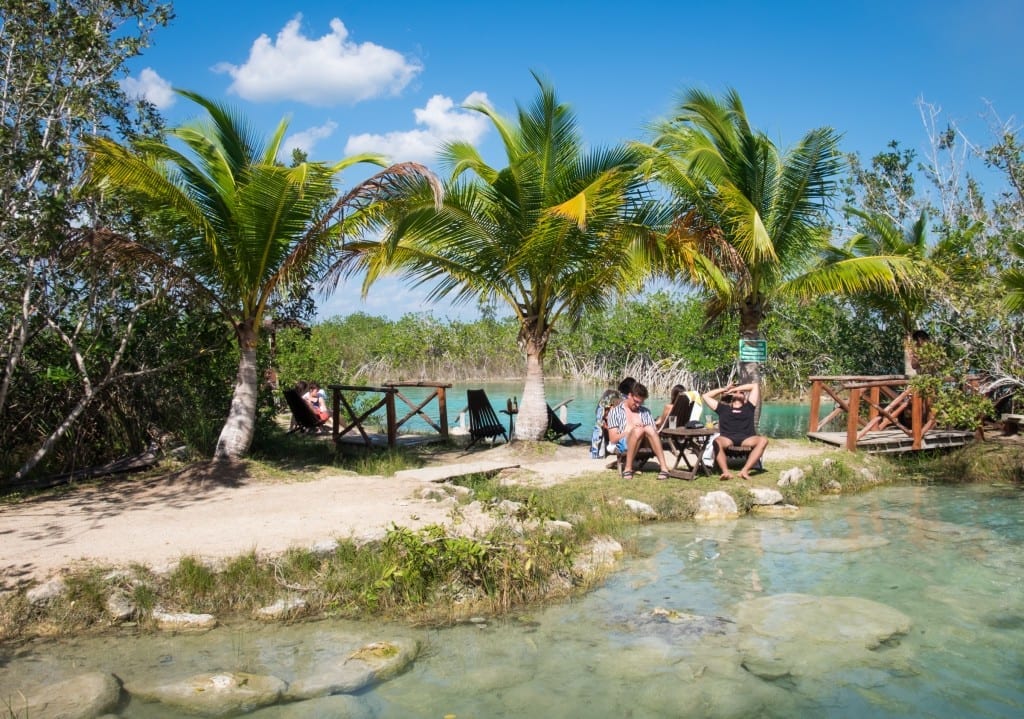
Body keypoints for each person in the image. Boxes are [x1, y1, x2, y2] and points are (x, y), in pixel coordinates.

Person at [701, 382, 768, 481]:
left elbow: (754, 386)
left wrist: (735, 389)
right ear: (731, 396)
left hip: (747, 438)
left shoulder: (749, 407)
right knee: (717, 441)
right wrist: (725, 389)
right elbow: (705, 396)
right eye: (736, 392)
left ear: (745, 397)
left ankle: (744, 471)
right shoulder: (723, 408)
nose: (738, 393)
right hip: (728, 438)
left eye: (741, 392)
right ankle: (726, 472)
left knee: (763, 440)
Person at [606, 382, 671, 480]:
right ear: (629, 395)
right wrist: (629, 430)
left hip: (645, 442)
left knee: (648, 428)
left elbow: (653, 433)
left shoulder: (645, 411)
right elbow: (613, 439)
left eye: (641, 402)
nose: (637, 405)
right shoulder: (615, 412)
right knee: (638, 430)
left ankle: (664, 468)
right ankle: (628, 468)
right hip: (625, 442)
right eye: (636, 401)